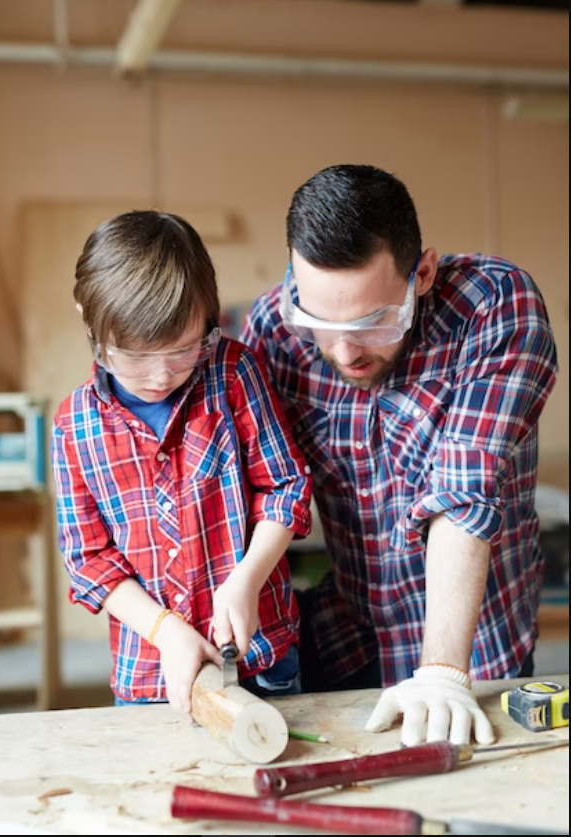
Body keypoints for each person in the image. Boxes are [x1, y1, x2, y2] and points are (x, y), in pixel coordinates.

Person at [241, 164, 558, 747]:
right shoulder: (273, 329)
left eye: (371, 322)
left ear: (423, 274)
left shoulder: (494, 307)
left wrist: (442, 673)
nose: (343, 350)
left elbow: (463, 491)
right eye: (319, 322)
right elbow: (246, 485)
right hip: (354, 631)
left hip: (476, 650)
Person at [51, 211, 312, 715]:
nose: (158, 376)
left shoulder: (233, 375)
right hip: (151, 675)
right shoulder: (74, 426)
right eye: (132, 356)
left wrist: (246, 580)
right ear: (87, 316)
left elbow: (286, 488)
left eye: (182, 351)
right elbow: (88, 561)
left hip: (263, 659)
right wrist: (164, 630)